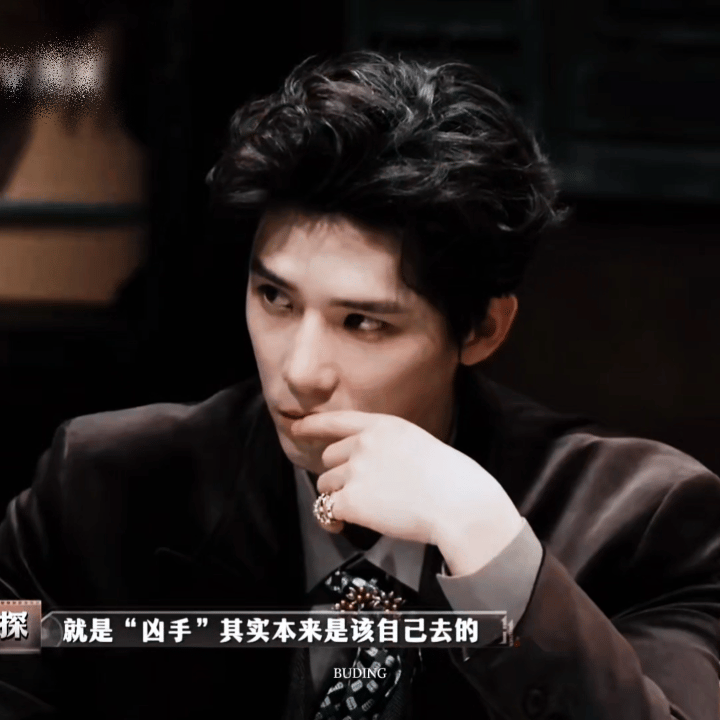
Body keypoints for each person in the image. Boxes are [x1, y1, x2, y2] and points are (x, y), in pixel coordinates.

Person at [0, 50, 718, 720]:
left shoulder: (646, 522)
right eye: (276, 299)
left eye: (363, 323)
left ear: (483, 329)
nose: (300, 371)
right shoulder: (99, 485)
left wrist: (487, 544)